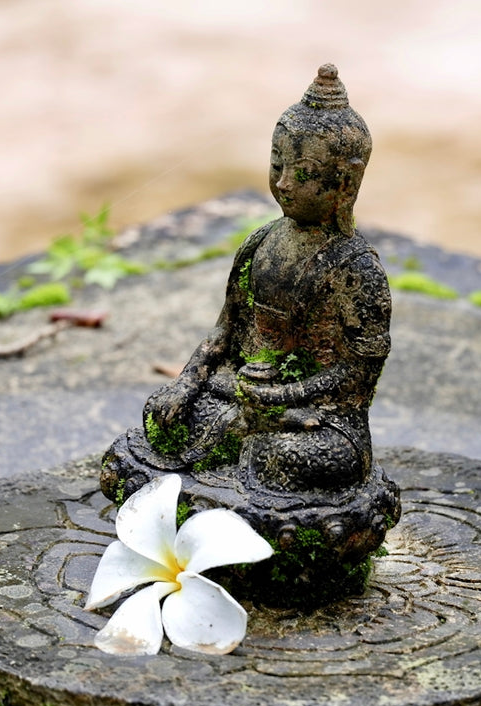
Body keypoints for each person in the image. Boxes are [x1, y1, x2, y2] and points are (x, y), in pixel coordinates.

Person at [101, 64, 392, 499]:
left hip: (318, 419)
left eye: (306, 173)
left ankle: (225, 491)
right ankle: (221, 483)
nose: (284, 182)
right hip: (239, 394)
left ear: (345, 181)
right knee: (161, 415)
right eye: (277, 164)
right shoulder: (260, 243)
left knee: (288, 456)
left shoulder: (357, 269)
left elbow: (356, 374)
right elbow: (225, 331)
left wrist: (285, 396)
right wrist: (187, 383)